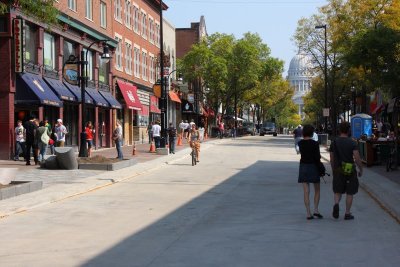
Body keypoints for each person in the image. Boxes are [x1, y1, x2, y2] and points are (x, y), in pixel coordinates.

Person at [329, 122, 363, 220]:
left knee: (337, 190)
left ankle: (336, 204)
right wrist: (361, 169)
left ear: (339, 130)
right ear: (349, 130)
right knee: (350, 192)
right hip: (350, 170)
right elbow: (357, 158)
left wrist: (333, 169)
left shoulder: (334, 142)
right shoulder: (352, 142)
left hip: (338, 170)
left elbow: (331, 158)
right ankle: (347, 213)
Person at [298, 125, 323, 220]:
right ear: (312, 133)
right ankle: (316, 210)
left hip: (303, 166)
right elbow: (317, 157)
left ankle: (308, 213)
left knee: (306, 191)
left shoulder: (300, 143)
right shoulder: (315, 143)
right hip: (313, 166)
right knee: (317, 189)